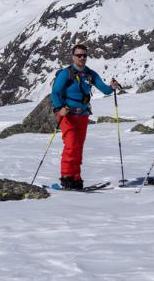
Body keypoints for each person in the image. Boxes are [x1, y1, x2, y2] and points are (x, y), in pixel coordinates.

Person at [50, 44, 121, 190]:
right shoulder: (66, 73)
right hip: (67, 114)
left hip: (82, 115)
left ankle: (76, 179)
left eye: (84, 55)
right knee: (71, 146)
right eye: (79, 55)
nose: (82, 58)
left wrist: (112, 87)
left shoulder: (90, 74)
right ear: (73, 57)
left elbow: (104, 89)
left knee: (78, 148)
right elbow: (55, 92)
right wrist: (59, 108)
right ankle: (66, 178)